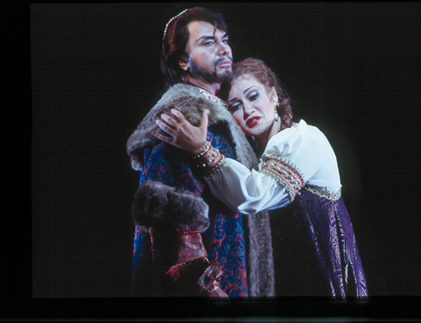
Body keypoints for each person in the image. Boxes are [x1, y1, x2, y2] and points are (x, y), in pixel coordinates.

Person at [153, 57, 368, 297]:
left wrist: (200, 149)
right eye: (235, 105)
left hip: (322, 278)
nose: (247, 111)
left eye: (253, 96)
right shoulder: (255, 156)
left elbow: (255, 194)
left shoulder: (304, 140)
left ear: (274, 96)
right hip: (285, 281)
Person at [126, 8, 274, 297]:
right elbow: (169, 211)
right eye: (207, 42)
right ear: (183, 60)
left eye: (224, 39)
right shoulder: (180, 116)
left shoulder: (219, 115)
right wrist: (205, 288)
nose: (223, 48)